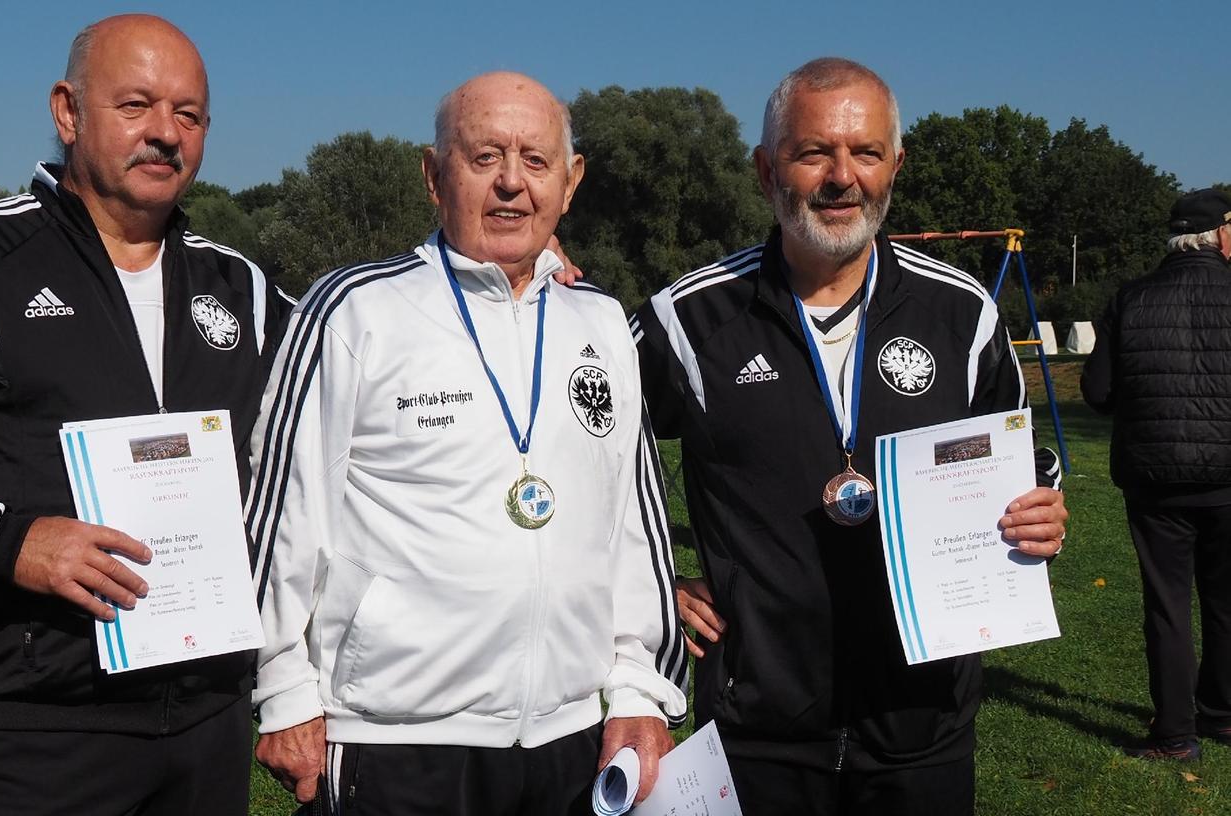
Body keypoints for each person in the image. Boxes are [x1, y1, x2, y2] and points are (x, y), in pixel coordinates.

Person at [0, 14, 295, 814]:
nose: (165, 134)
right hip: (46, 723)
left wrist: (517, 274)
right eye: (136, 105)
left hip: (211, 715)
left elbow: (361, 368)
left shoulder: (241, 288)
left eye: (189, 114)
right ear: (68, 111)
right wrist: (9, 540)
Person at [632, 58, 1068, 815]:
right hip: (759, 731)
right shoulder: (688, 319)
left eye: (865, 153)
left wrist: (1041, 508)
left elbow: (1018, 454)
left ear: (894, 165)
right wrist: (646, 587)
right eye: (813, 153)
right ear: (767, 169)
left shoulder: (961, 313)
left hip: (923, 724)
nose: (843, 177)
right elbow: (585, 454)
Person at [248, 71, 689, 814]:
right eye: (484, 158)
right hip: (395, 742)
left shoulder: (601, 322)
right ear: (433, 175)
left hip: (574, 738)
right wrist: (283, 688)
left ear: (571, 182)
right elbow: (283, 514)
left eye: (536, 160)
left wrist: (638, 688)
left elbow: (632, 530)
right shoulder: (355, 310)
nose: (512, 183)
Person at [1082, 187, 1231, 761]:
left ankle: (1174, 734)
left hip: (1155, 478)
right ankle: (1222, 714)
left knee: (1168, 604)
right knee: (1225, 600)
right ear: (1220, 234)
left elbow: (1097, 391)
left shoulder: (1131, 298)